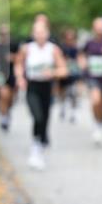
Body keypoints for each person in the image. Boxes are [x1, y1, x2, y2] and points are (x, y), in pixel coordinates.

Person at [15, 18, 68, 170]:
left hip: (47, 87)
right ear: (33, 34)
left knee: (44, 118)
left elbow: (64, 70)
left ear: (47, 33)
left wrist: (53, 72)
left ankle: (40, 145)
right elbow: (18, 64)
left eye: (42, 32)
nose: (39, 35)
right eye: (36, 32)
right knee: (37, 116)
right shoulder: (26, 48)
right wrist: (20, 78)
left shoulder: (53, 49)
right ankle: (35, 147)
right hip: (32, 87)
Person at [79, 17, 102, 146]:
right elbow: (81, 54)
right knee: (96, 100)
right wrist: (82, 62)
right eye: (97, 26)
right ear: (93, 28)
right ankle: (96, 124)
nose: (100, 28)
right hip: (92, 76)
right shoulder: (89, 42)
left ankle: (100, 124)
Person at [57, 28, 81, 123]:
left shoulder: (76, 48)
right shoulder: (61, 48)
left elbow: (79, 58)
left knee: (73, 93)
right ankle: (62, 106)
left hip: (74, 73)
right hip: (64, 73)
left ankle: (73, 112)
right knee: (63, 91)